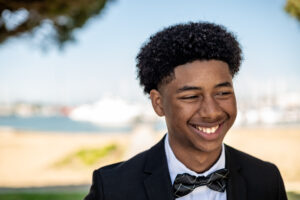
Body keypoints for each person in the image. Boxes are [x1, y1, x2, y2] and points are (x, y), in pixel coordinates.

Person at [84, 22, 287, 200]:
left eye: (223, 93)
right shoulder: (113, 187)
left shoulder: (266, 180)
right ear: (158, 103)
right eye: (191, 96)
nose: (211, 112)